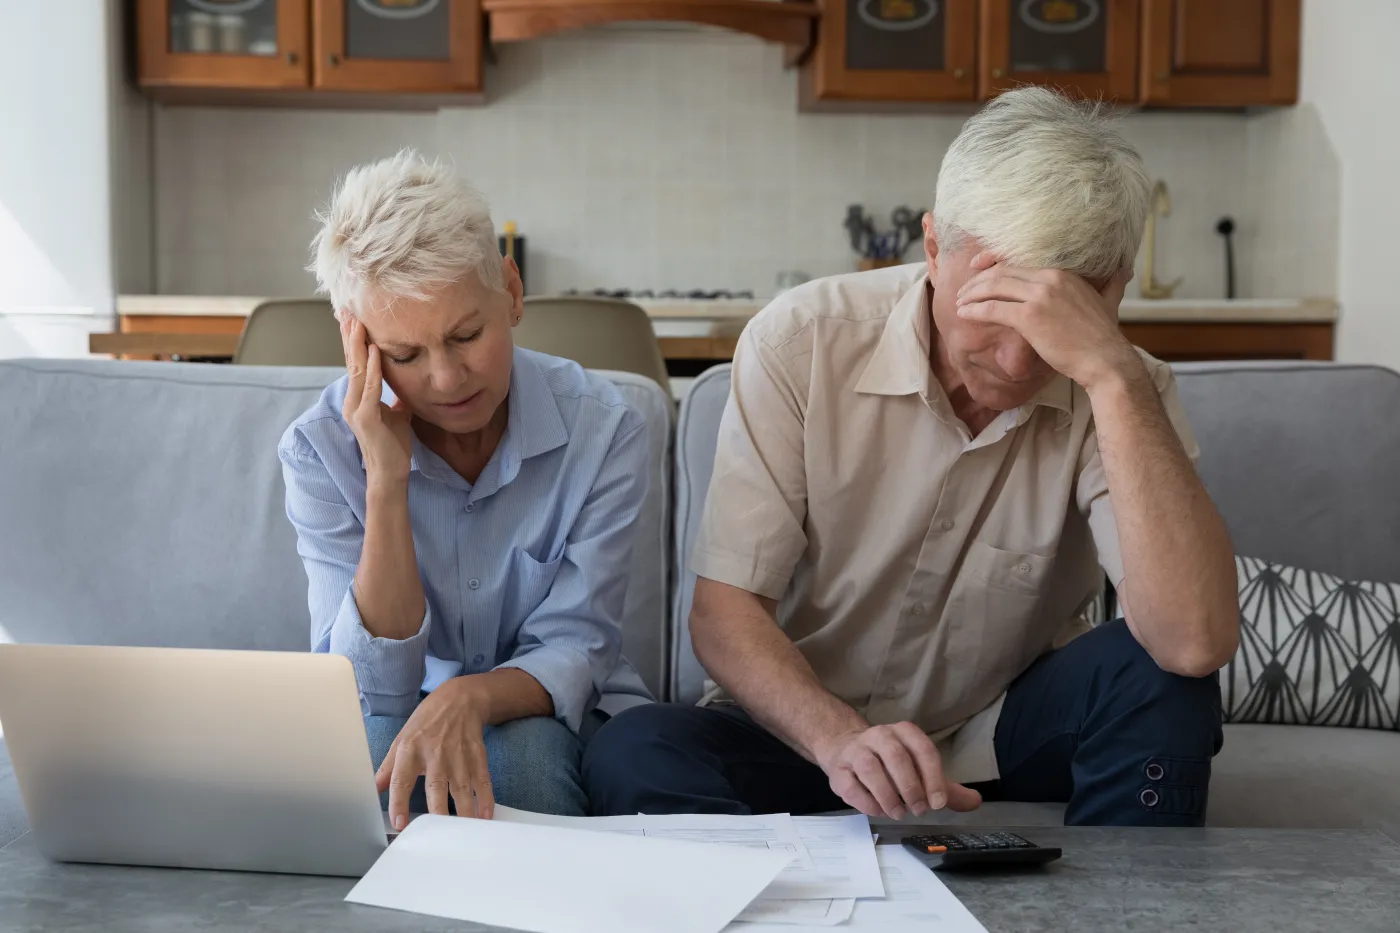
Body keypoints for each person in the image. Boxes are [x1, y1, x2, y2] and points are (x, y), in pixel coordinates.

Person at [583, 88, 1238, 826]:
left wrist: (1111, 375)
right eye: (992, 301)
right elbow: (724, 614)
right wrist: (841, 741)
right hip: (801, 737)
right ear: (932, 248)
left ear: (1114, 291)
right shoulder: (802, 342)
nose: (1020, 358)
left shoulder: (1122, 386)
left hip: (999, 728)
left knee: (1161, 680)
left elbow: (1193, 640)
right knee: (631, 751)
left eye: (1059, 312)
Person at [279, 150, 653, 828]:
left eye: (465, 335)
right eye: (405, 354)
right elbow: (373, 689)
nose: (447, 379)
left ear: (510, 291)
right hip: (399, 706)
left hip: (555, 709)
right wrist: (386, 480)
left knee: (525, 760)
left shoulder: (605, 427)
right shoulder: (320, 451)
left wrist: (468, 698)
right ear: (356, 342)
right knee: (365, 762)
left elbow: (577, 643)